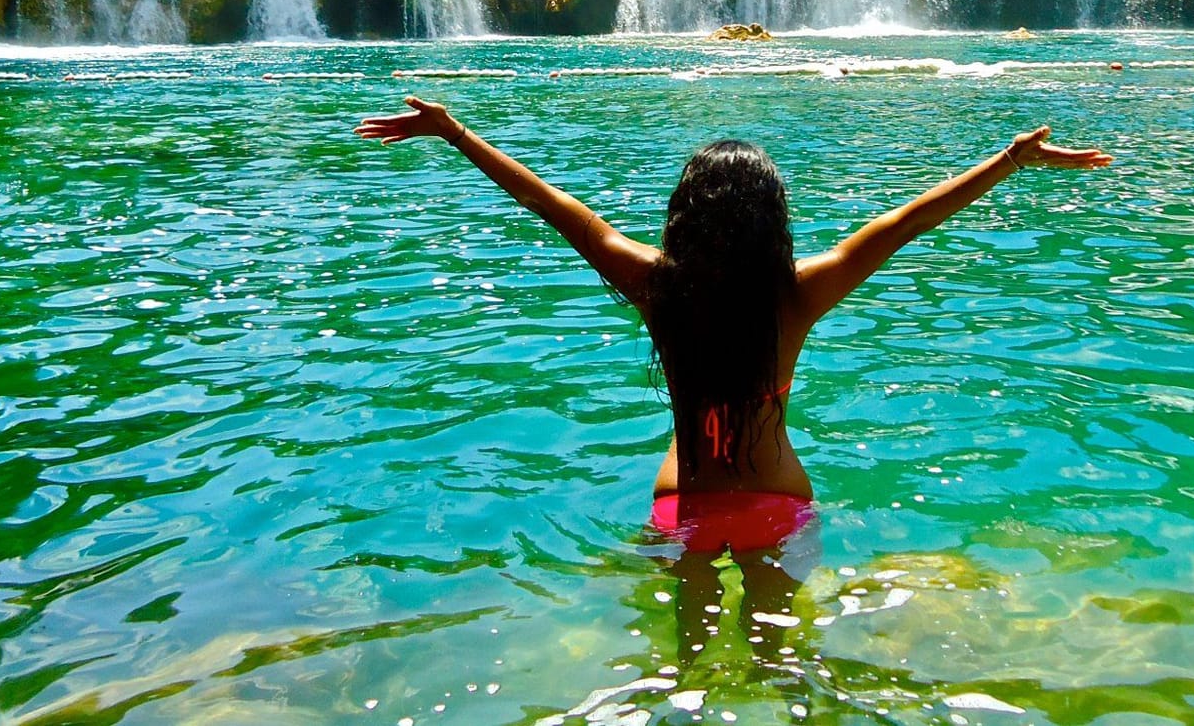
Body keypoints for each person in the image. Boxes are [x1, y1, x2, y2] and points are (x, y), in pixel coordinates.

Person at [354, 97, 1111, 558]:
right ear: (771, 221)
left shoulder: (657, 287)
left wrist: (455, 134)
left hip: (680, 508)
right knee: (784, 662)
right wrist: (1010, 159)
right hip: (778, 506)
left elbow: (561, 214)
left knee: (681, 667)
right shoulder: (797, 296)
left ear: (685, 216)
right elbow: (902, 224)